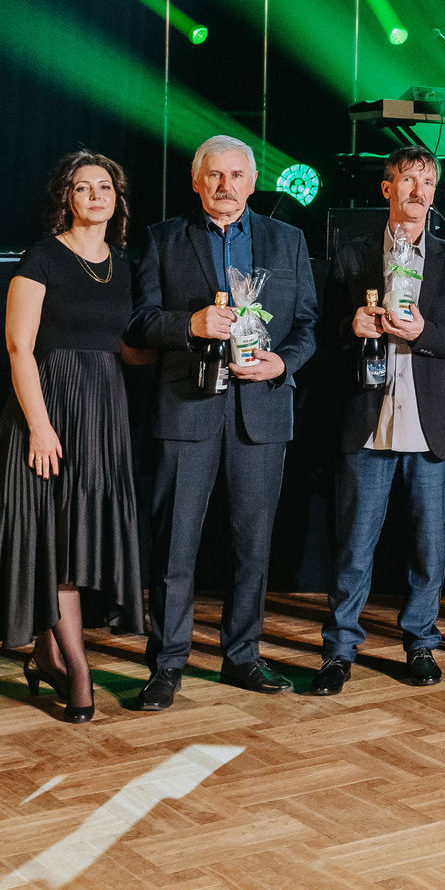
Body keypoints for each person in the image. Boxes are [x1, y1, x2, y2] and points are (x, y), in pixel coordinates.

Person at [126, 135, 318, 711]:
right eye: (214, 175)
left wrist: (284, 363)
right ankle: (166, 665)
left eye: (237, 175)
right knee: (174, 546)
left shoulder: (287, 240)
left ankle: (242, 657)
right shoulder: (162, 238)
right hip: (186, 408)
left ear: (253, 183)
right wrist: (191, 324)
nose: (225, 185)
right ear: (196, 182)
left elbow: (307, 325)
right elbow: (139, 322)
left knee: (252, 546)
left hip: (261, 412)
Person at [0, 152, 147, 723]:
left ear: (117, 198)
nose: (96, 195)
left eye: (105, 186)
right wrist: (41, 427)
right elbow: (19, 348)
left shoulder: (124, 265)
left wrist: (196, 343)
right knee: (54, 545)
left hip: (103, 414)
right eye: (82, 186)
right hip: (49, 411)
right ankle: (79, 671)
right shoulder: (43, 257)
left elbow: (124, 349)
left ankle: (47, 657)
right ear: (65, 198)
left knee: (71, 542)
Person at [310, 144, 445, 696]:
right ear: (387, 189)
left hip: (430, 425)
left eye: (428, 182)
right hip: (368, 422)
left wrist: (425, 334)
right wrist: (351, 328)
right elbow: (321, 334)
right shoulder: (352, 256)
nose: (419, 191)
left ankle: (420, 644)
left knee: (429, 549)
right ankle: (339, 650)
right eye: (408, 180)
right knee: (353, 548)